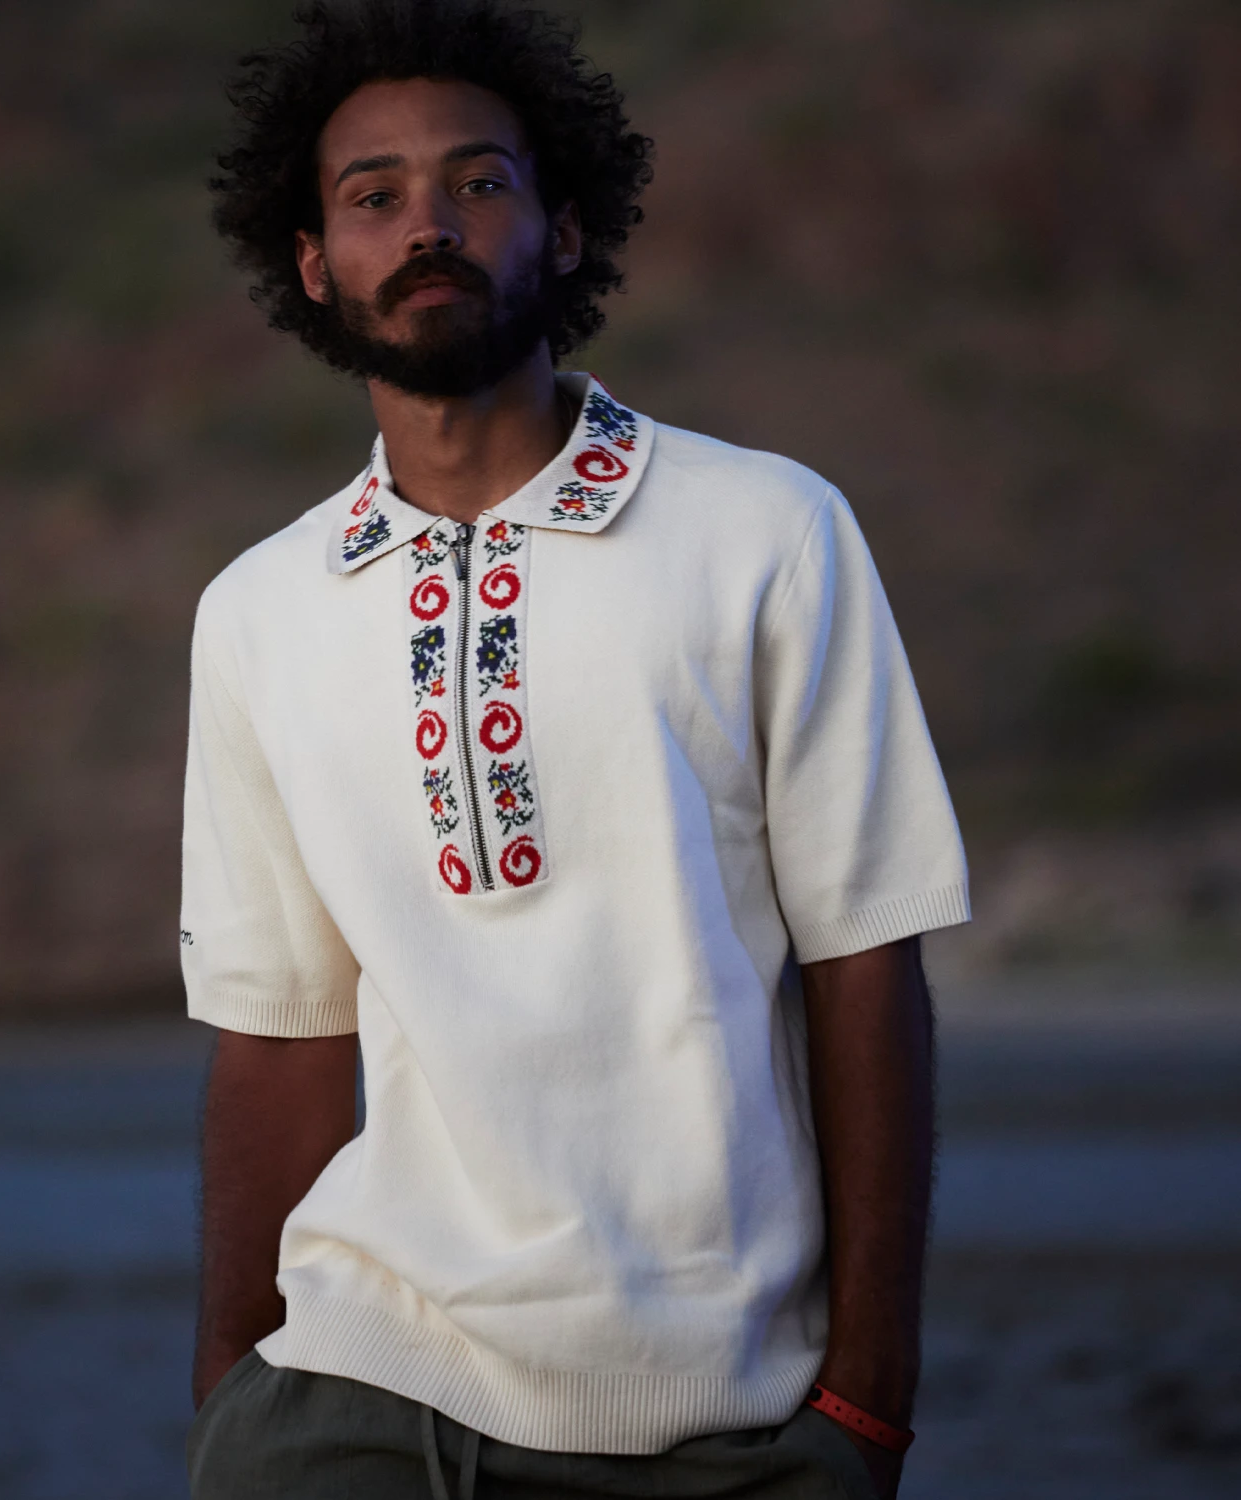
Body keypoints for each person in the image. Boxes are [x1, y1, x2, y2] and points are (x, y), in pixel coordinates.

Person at [181, 4, 968, 1496]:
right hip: (356, 1401)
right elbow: (280, 1030)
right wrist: (228, 1403)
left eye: (479, 182)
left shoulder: (767, 533)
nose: (429, 225)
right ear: (314, 263)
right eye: (373, 196)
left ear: (565, 229)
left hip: (728, 1417)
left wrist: (867, 1407)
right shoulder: (259, 613)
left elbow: (867, 963)